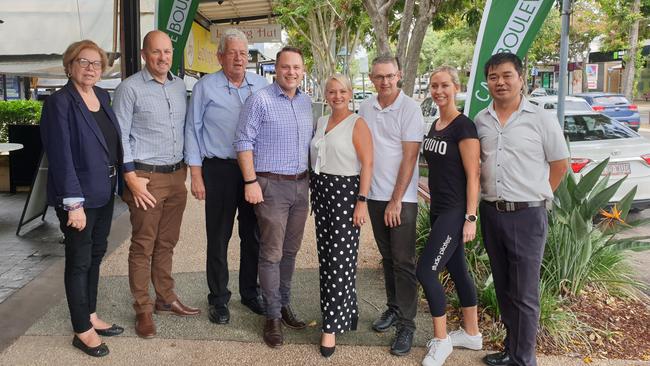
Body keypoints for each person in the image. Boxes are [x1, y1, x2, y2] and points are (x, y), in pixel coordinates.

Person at [475, 53, 569, 366]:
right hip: (492, 213)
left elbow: (559, 165)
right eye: (493, 77)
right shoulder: (481, 120)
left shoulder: (540, 117)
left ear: (521, 77)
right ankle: (511, 348)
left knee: (525, 294)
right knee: (504, 288)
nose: (499, 82)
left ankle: (524, 359)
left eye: (506, 75)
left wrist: (537, 197)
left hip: (528, 216)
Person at [114, 30, 200, 340]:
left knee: (167, 243)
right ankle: (142, 308)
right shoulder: (129, 89)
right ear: (143, 54)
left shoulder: (179, 87)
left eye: (167, 52)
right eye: (156, 52)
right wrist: (130, 178)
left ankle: (165, 298)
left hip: (177, 176)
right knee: (143, 245)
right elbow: (120, 136)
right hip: (145, 178)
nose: (163, 57)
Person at [40, 40, 124, 357]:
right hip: (79, 200)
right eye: (83, 62)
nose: (90, 68)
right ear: (70, 65)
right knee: (79, 261)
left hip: (105, 193)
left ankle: (90, 315)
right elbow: (60, 156)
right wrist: (73, 203)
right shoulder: (59, 102)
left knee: (96, 255)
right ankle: (82, 330)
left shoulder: (102, 96)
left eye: (96, 63)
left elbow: (111, 142)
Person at [184, 28, 268, 324]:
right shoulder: (205, 87)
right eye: (232, 52)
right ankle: (218, 299)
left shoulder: (261, 85)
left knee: (253, 234)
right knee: (218, 237)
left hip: (253, 171)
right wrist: (196, 174)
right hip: (218, 169)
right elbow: (192, 130)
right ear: (220, 56)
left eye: (243, 53)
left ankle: (250, 292)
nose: (238, 58)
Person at [234, 46, 312, 348]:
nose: (291, 72)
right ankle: (272, 316)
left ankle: (284, 304)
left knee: (290, 253)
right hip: (270, 187)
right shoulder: (260, 100)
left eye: (296, 67)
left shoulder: (306, 102)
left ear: (302, 70)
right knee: (271, 253)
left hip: (300, 187)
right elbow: (243, 141)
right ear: (275, 70)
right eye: (285, 67)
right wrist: (251, 181)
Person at [416, 66, 482, 366]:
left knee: (426, 271)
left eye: (444, 85)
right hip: (438, 207)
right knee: (457, 270)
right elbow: (441, 167)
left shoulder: (463, 126)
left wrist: (470, 217)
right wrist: (427, 187)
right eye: (434, 86)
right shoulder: (436, 124)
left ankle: (441, 341)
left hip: (456, 212)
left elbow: (473, 174)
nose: (438, 91)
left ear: (456, 87)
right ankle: (471, 333)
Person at [358, 55, 423, 356]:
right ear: (371, 78)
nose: (384, 82)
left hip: (402, 199)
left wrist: (396, 200)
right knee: (387, 257)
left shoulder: (410, 108)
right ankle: (394, 309)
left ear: (399, 75)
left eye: (389, 76)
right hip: (374, 195)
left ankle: (407, 326)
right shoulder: (366, 107)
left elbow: (410, 157)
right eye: (378, 77)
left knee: (403, 261)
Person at [309, 74, 373, 358]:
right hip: (321, 193)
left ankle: (331, 327)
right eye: (332, 91)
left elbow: (368, 164)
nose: (336, 96)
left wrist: (361, 201)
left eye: (342, 91)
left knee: (340, 260)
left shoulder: (357, 123)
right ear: (326, 94)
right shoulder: (322, 121)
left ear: (350, 94)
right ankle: (347, 313)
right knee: (328, 260)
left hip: (346, 195)